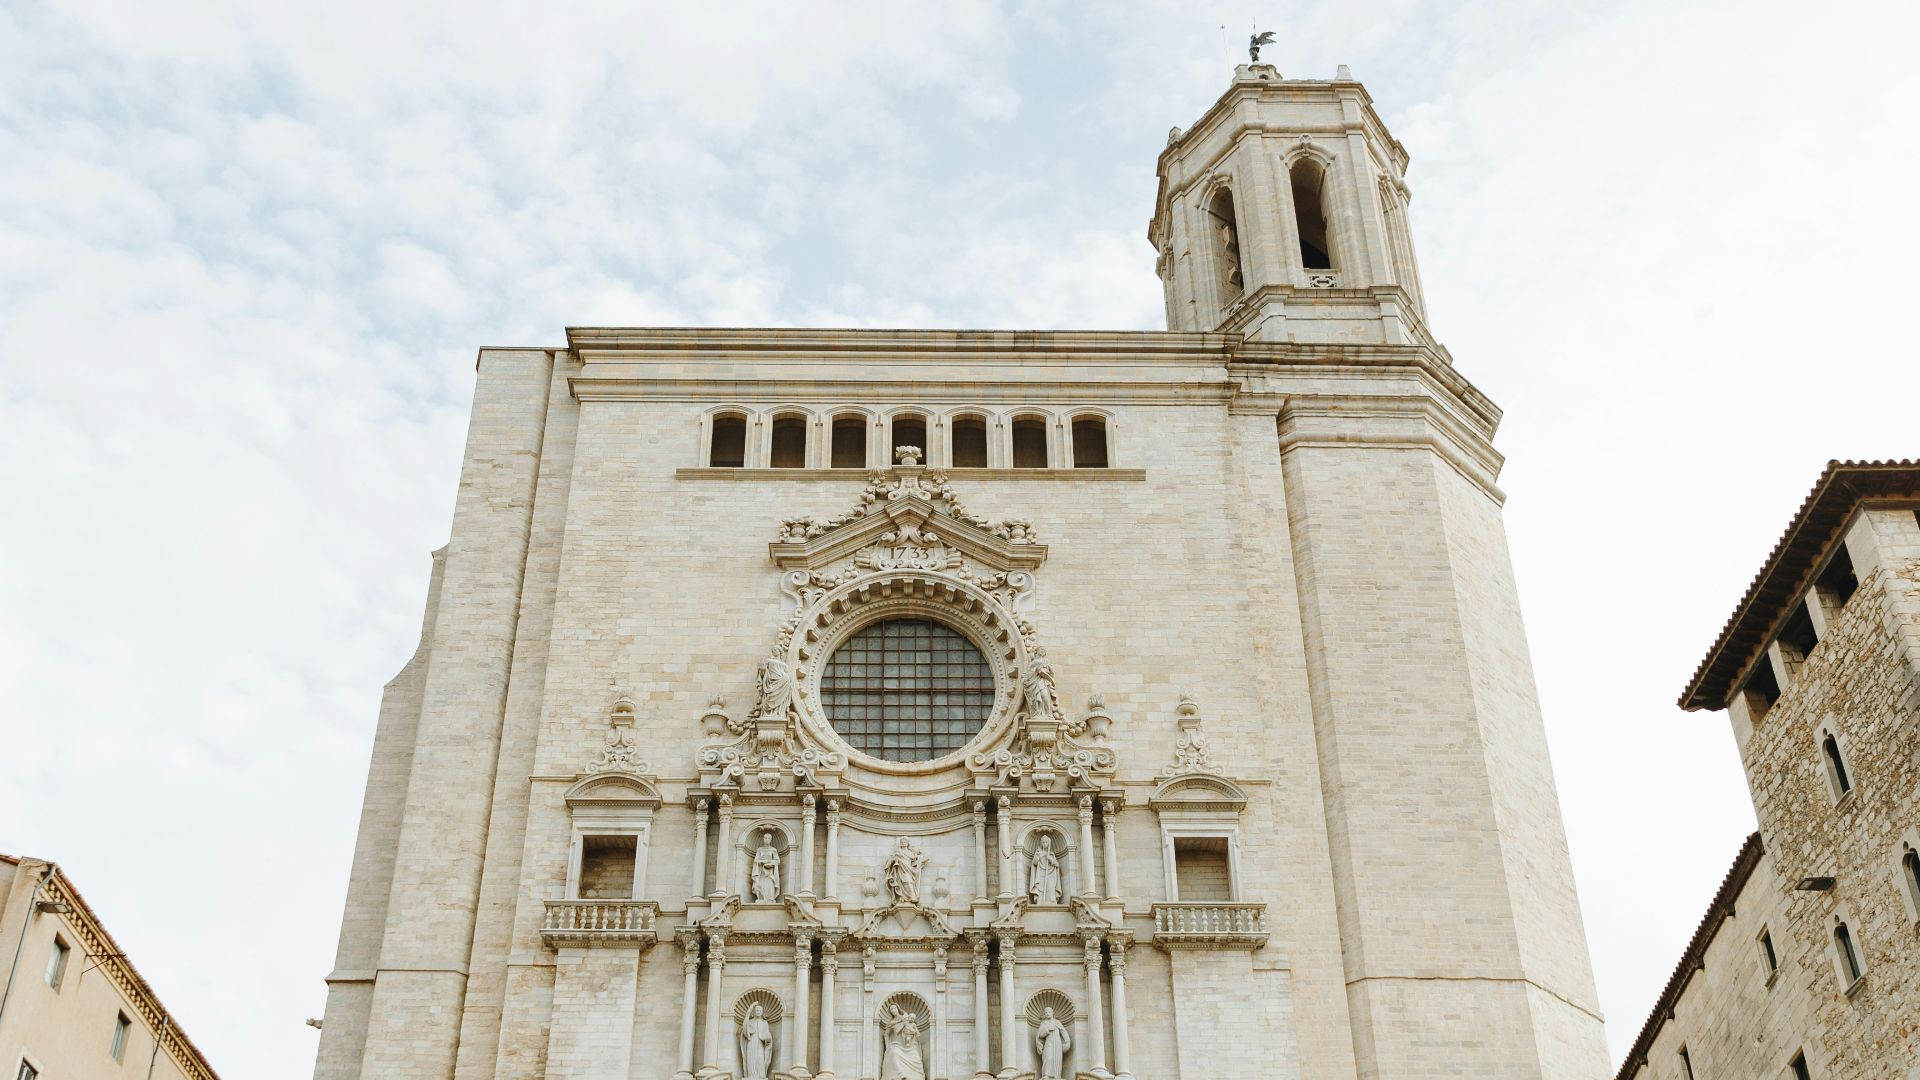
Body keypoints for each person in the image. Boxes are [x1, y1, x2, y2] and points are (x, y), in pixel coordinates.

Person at [879, 1003, 925, 1080]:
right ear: (890, 1012)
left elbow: (913, 1026)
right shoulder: (891, 1022)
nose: (893, 1010)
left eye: (894, 1008)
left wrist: (912, 1034)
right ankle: (901, 1074)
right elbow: (886, 1034)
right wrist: (888, 1046)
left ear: (898, 1008)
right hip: (896, 1044)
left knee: (915, 1056)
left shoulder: (905, 1017)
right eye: (891, 1009)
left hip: (908, 1044)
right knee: (894, 1053)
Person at [1034, 1006, 1071, 1080]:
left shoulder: (1057, 1022)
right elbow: (1040, 1035)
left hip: (1057, 1042)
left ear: (1052, 1013)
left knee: (1057, 1058)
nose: (1048, 1013)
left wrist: (1067, 1042)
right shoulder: (1044, 1023)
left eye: (1049, 1012)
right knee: (1048, 1057)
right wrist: (1047, 1030)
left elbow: (1063, 1032)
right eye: (1046, 1012)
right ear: (1044, 1014)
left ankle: (1057, 1076)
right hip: (1048, 1042)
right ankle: (1046, 1075)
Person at [740, 1002, 773, 1080]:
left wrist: (767, 1038)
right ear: (754, 1012)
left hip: (761, 1044)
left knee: (760, 1058)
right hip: (751, 1042)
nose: (758, 1012)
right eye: (757, 1010)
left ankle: (761, 1075)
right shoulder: (750, 1022)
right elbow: (745, 1030)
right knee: (751, 1058)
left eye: (760, 1011)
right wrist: (749, 1010)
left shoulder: (764, 1023)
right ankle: (750, 1075)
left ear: (762, 1012)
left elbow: (767, 1034)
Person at [1029, 834, 1063, 905]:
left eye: (1046, 842)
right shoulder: (1038, 852)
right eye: (1043, 842)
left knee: (1051, 886)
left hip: (1050, 874)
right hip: (1040, 874)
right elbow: (1034, 863)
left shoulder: (1051, 854)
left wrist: (1050, 859)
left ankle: (1051, 902)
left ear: (1048, 843)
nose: (1044, 844)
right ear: (1041, 843)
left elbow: (1057, 865)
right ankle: (1040, 901)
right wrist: (1038, 856)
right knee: (1040, 888)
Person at [751, 831, 781, 903]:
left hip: (770, 871)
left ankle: (770, 898)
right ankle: (761, 898)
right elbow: (756, 860)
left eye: (768, 838)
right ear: (763, 839)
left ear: (770, 840)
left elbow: (777, 860)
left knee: (770, 884)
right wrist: (762, 862)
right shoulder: (759, 850)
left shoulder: (773, 850)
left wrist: (770, 864)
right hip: (761, 871)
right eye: (765, 838)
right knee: (761, 884)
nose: (767, 839)